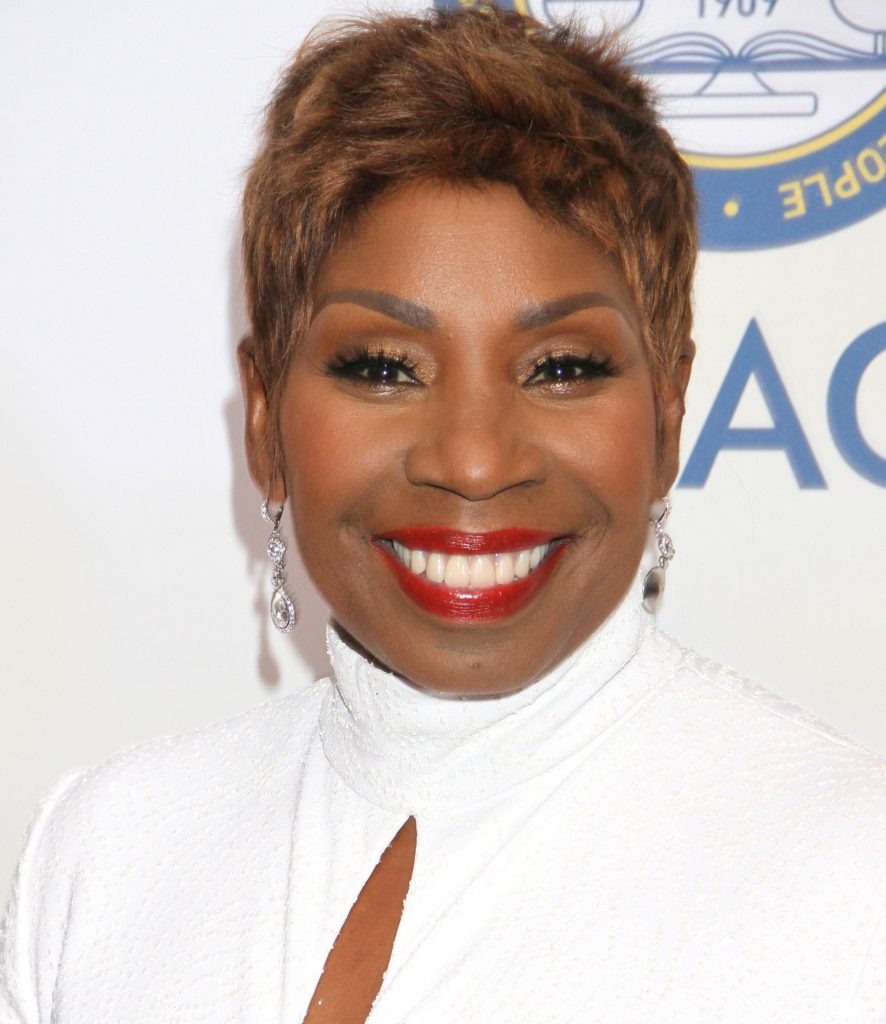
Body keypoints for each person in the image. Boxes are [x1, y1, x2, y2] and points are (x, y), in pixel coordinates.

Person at [2, 7, 885, 1023]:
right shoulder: (107, 853)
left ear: (669, 417)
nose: (472, 460)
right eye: (382, 367)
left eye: (560, 368)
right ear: (263, 420)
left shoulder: (852, 880)